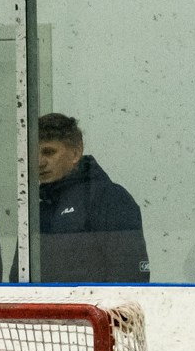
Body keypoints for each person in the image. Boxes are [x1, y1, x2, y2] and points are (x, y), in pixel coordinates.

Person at [29, 113, 150, 283]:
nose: (39, 162)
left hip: (91, 308)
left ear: (75, 154)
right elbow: (18, 276)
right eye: (34, 153)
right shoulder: (35, 207)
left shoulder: (109, 198)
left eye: (49, 152)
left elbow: (130, 274)